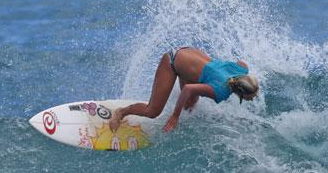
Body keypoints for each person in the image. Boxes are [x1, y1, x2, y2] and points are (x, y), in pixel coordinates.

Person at [109, 47, 259, 133]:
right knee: (153, 112)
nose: (253, 98)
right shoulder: (220, 91)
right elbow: (187, 89)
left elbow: (238, 61)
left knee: (189, 107)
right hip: (173, 62)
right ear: (240, 91)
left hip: (190, 53)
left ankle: (179, 96)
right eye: (251, 96)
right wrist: (175, 116)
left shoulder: (242, 69)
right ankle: (121, 112)